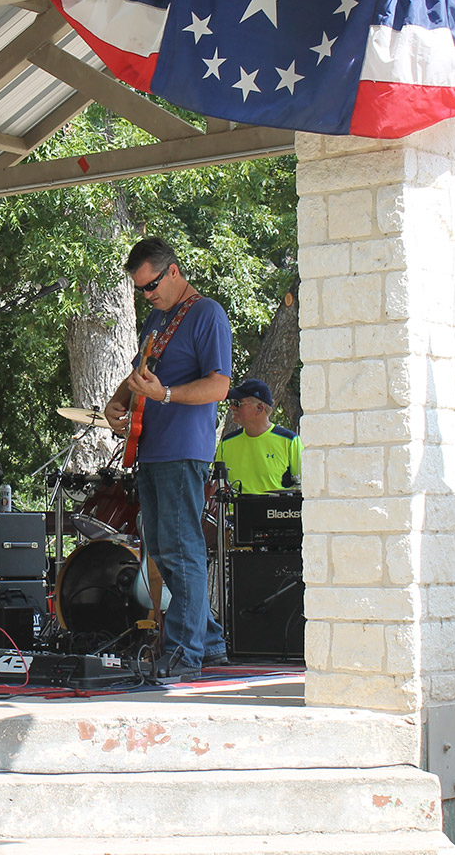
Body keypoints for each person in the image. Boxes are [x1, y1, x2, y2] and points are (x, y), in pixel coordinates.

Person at [105, 237, 231, 682]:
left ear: (173, 271)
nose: (147, 295)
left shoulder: (207, 313)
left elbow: (220, 386)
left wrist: (167, 394)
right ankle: (208, 641)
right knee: (162, 548)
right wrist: (118, 401)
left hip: (183, 447)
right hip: (153, 446)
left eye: (151, 285)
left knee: (180, 548)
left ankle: (184, 650)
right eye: (140, 289)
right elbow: (140, 370)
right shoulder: (159, 317)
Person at [215, 378, 303, 495]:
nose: (232, 407)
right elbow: (215, 485)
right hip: (235, 507)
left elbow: (306, 485)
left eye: (237, 403)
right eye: (231, 403)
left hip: (275, 507)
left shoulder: (290, 441)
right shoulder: (226, 443)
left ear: (259, 408)